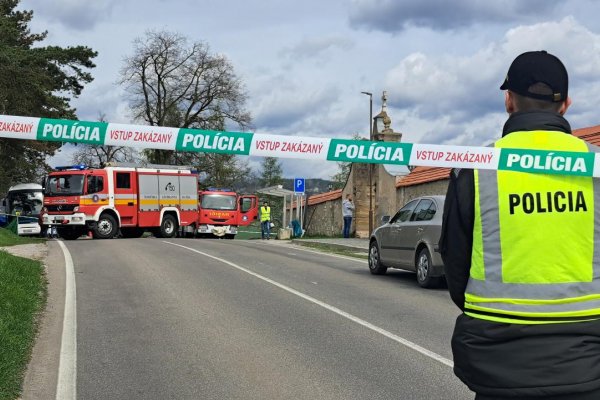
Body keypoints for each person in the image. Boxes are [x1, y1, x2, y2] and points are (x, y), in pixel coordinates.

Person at [440, 50, 600, 400]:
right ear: (566, 104)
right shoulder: (596, 168)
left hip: (498, 367)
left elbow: (454, 266)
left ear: (508, 101)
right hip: (587, 366)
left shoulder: (476, 169)